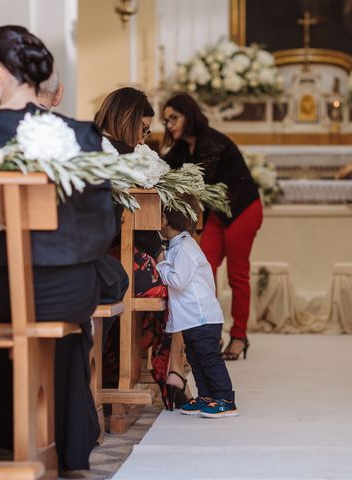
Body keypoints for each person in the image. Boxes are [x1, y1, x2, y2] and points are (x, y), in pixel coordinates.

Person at [0, 25, 123, 471]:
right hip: (62, 288)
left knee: (3, 310)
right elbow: (103, 225)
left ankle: (0, 419)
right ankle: (65, 436)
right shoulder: (79, 135)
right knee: (67, 317)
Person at [95, 87, 192, 409]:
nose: (144, 137)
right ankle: (172, 370)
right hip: (115, 258)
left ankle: (168, 368)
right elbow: (143, 221)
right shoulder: (129, 158)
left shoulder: (89, 146)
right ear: (128, 121)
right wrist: (162, 255)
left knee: (176, 274)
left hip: (100, 253)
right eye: (144, 129)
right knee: (180, 282)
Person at [161, 93, 262, 361]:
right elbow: (164, 169)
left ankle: (239, 336)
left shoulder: (210, 141)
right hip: (218, 215)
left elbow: (199, 181)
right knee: (204, 268)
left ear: (189, 115)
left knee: (237, 275)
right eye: (166, 120)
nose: (169, 124)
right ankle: (210, 332)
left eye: (174, 118)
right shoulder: (184, 147)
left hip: (242, 210)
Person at [156, 194, 238, 417]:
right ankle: (207, 396)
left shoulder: (185, 247)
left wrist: (161, 263)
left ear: (163, 219)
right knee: (195, 358)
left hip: (203, 317)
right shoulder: (177, 245)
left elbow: (178, 281)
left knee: (209, 358)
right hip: (191, 318)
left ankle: (226, 399)